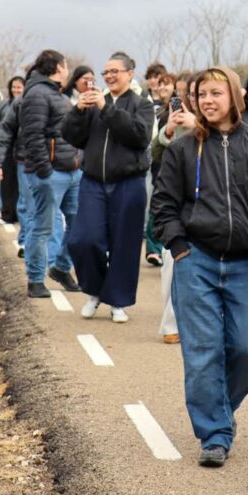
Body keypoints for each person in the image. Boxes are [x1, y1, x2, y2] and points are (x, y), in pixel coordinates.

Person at [151, 66, 248, 468]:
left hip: (247, 264)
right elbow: (163, 205)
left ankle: (219, 411)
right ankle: (214, 433)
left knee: (245, 351)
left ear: (234, 96)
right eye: (201, 94)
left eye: (216, 93)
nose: (208, 101)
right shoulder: (182, 147)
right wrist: (178, 248)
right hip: (197, 262)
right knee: (203, 353)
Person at [64, 51, 154, 322]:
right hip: (93, 182)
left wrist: (107, 108)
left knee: (124, 245)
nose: (110, 77)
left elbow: (139, 136)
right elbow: (71, 135)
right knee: (83, 239)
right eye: (106, 73)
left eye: (115, 71)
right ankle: (94, 290)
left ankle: (118, 301)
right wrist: (79, 111)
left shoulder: (142, 105)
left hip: (129, 182)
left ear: (129, 74)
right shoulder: (91, 106)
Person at [16, 50, 83, 298]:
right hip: (50, 173)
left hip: (72, 171)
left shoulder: (54, 93)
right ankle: (35, 280)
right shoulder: (36, 94)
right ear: (56, 67)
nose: (68, 71)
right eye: (66, 66)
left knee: (79, 224)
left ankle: (61, 268)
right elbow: (32, 136)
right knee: (43, 227)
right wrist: (45, 170)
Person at [151, 86, 199, 345]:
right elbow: (156, 154)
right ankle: (171, 323)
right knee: (171, 264)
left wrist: (197, 125)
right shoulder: (171, 118)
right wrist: (168, 129)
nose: (195, 99)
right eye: (191, 94)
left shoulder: (218, 121)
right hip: (175, 206)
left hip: (207, 209)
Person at [144, 72, 176, 267]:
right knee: (155, 207)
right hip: (158, 165)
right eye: (160, 85)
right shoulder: (157, 110)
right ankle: (153, 249)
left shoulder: (177, 108)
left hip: (172, 166)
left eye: (167, 85)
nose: (162, 88)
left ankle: (163, 247)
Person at [0, 75, 26, 224]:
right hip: (7, 149)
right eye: (14, 87)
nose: (16, 90)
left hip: (22, 151)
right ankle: (7, 215)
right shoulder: (2, 105)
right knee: (7, 184)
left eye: (19, 87)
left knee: (22, 186)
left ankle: (20, 216)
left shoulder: (28, 104)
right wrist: (3, 127)